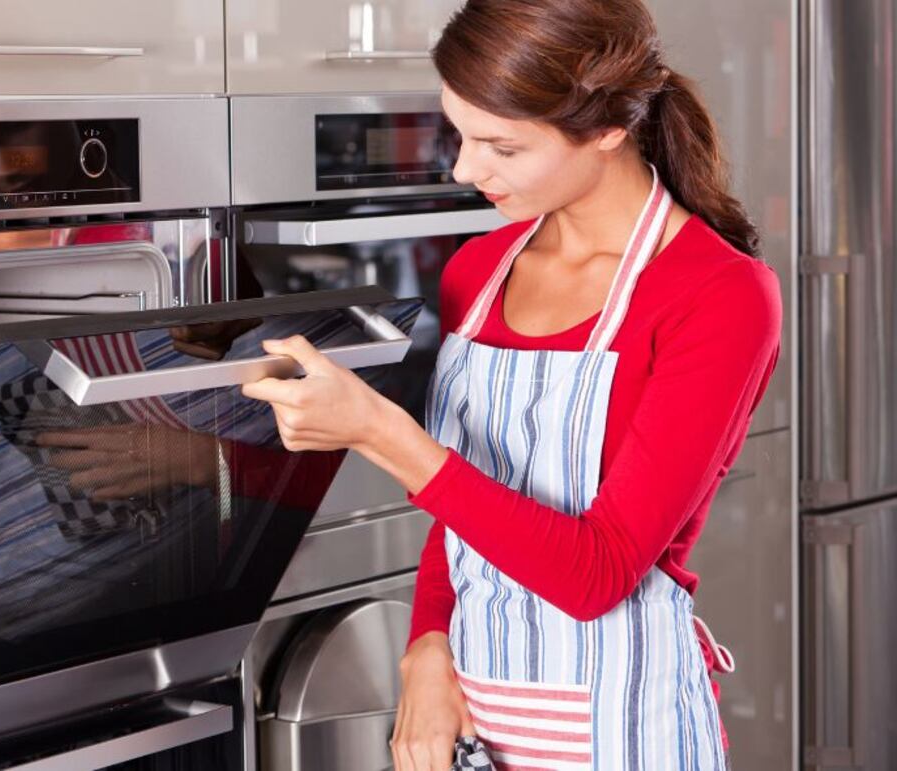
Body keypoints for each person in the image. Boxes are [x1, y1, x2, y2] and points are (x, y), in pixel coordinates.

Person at [240, 1, 781, 769]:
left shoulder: (718, 294)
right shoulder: (480, 269)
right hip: (475, 719)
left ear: (607, 131)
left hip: (626, 732)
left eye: (501, 146)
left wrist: (379, 432)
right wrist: (427, 645)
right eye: (458, 134)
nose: (465, 170)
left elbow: (598, 572)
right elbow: (469, 504)